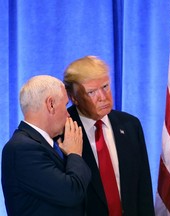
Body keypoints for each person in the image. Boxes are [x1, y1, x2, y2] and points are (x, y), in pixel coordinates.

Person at [63, 56, 155, 216]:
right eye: (92, 92)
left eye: (105, 86)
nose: (103, 97)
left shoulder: (130, 125)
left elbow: (143, 188)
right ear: (73, 97)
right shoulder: (62, 130)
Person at [1, 75, 91, 216]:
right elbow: (71, 193)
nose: (68, 114)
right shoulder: (21, 149)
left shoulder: (47, 143)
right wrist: (75, 154)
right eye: (66, 105)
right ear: (51, 104)